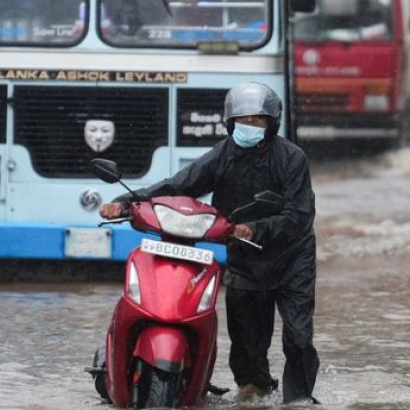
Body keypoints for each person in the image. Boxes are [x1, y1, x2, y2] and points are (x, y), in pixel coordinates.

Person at [99, 82, 320, 405]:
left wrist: (255, 229)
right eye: (243, 120)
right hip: (244, 256)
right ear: (230, 122)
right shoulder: (223, 154)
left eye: (257, 120)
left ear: (272, 123)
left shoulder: (292, 158)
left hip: (291, 257)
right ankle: (254, 391)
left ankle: (299, 399)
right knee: (246, 341)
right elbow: (180, 184)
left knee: (298, 336)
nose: (250, 125)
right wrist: (126, 202)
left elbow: (299, 215)